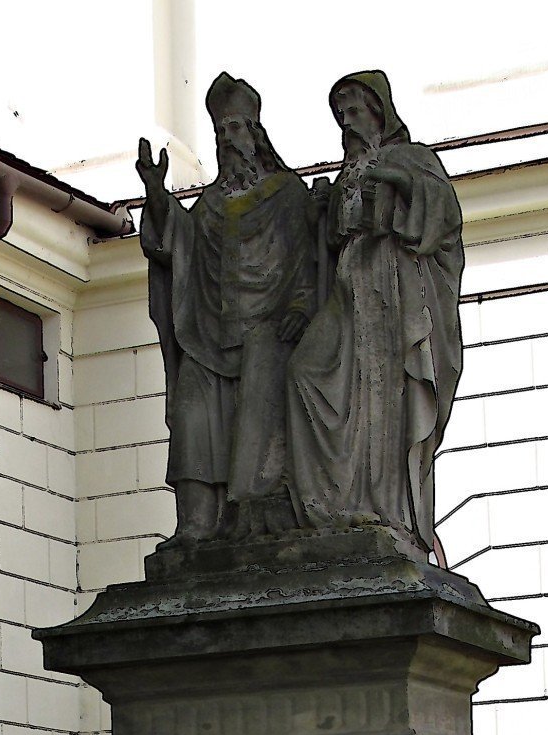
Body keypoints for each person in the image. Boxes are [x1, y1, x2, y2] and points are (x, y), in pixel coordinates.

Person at [287, 70, 463, 556]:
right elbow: (331, 238)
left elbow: (443, 215)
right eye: (340, 114)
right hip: (349, 282)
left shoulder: (413, 157)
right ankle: (332, 501)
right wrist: (322, 213)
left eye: (355, 111)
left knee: (384, 392)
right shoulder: (348, 168)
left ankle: (385, 507)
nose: (347, 122)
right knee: (305, 371)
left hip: (392, 286)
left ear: (380, 111)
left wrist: (398, 180)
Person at [137, 74, 317, 538]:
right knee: (191, 413)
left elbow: (306, 257)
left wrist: (300, 302)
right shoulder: (211, 204)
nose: (226, 140)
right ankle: (197, 523)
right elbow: (176, 243)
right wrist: (157, 194)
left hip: (270, 333)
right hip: (209, 334)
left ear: (255, 134)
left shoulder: (288, 194)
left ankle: (257, 518)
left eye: (234, 129)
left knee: (264, 412)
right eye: (219, 132)